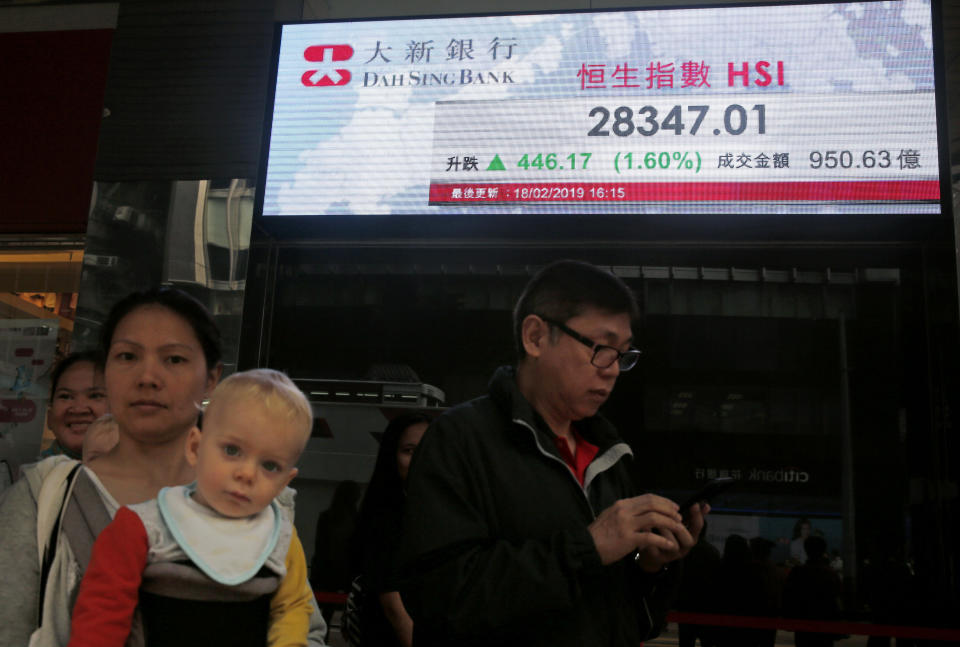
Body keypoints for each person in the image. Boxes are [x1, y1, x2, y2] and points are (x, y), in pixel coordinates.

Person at [398, 260, 707, 647]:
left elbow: (630, 620)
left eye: (623, 354)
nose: (612, 370)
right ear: (535, 337)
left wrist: (650, 567)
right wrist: (589, 547)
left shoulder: (610, 454)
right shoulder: (459, 439)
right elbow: (439, 599)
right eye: (601, 348)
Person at [0, 286, 327, 646]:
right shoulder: (43, 498)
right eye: (127, 356)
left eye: (174, 359)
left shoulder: (261, 505)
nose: (147, 377)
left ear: (212, 378)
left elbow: (304, 627)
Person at [68, 369, 316, 647]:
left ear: (285, 482)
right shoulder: (143, 527)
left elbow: (292, 608)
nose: (247, 473)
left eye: (270, 466)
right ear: (195, 447)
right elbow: (102, 614)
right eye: (232, 451)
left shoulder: (280, 538)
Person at [352, 413, 431, 647]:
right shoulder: (385, 515)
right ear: (392, 456)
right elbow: (394, 608)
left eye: (427, 448)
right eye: (409, 450)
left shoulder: (438, 513)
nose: (420, 459)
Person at [39, 351, 108, 459]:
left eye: (95, 395)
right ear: (49, 417)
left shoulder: (141, 472)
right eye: (65, 396)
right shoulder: (31, 474)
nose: (78, 409)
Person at [783, 535, 844, 647]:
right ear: (823, 551)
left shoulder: (797, 573)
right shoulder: (830, 574)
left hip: (803, 623)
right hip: (825, 623)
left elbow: (788, 596)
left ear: (806, 550)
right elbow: (837, 598)